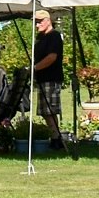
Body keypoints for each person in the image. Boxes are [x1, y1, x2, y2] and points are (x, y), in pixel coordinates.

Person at [31, 8, 66, 144]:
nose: (37, 25)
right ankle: (54, 136)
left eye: (39, 22)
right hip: (42, 79)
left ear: (47, 21)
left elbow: (52, 57)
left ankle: (56, 138)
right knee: (45, 111)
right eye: (35, 22)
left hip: (51, 78)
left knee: (50, 110)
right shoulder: (40, 38)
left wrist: (35, 68)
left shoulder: (54, 36)